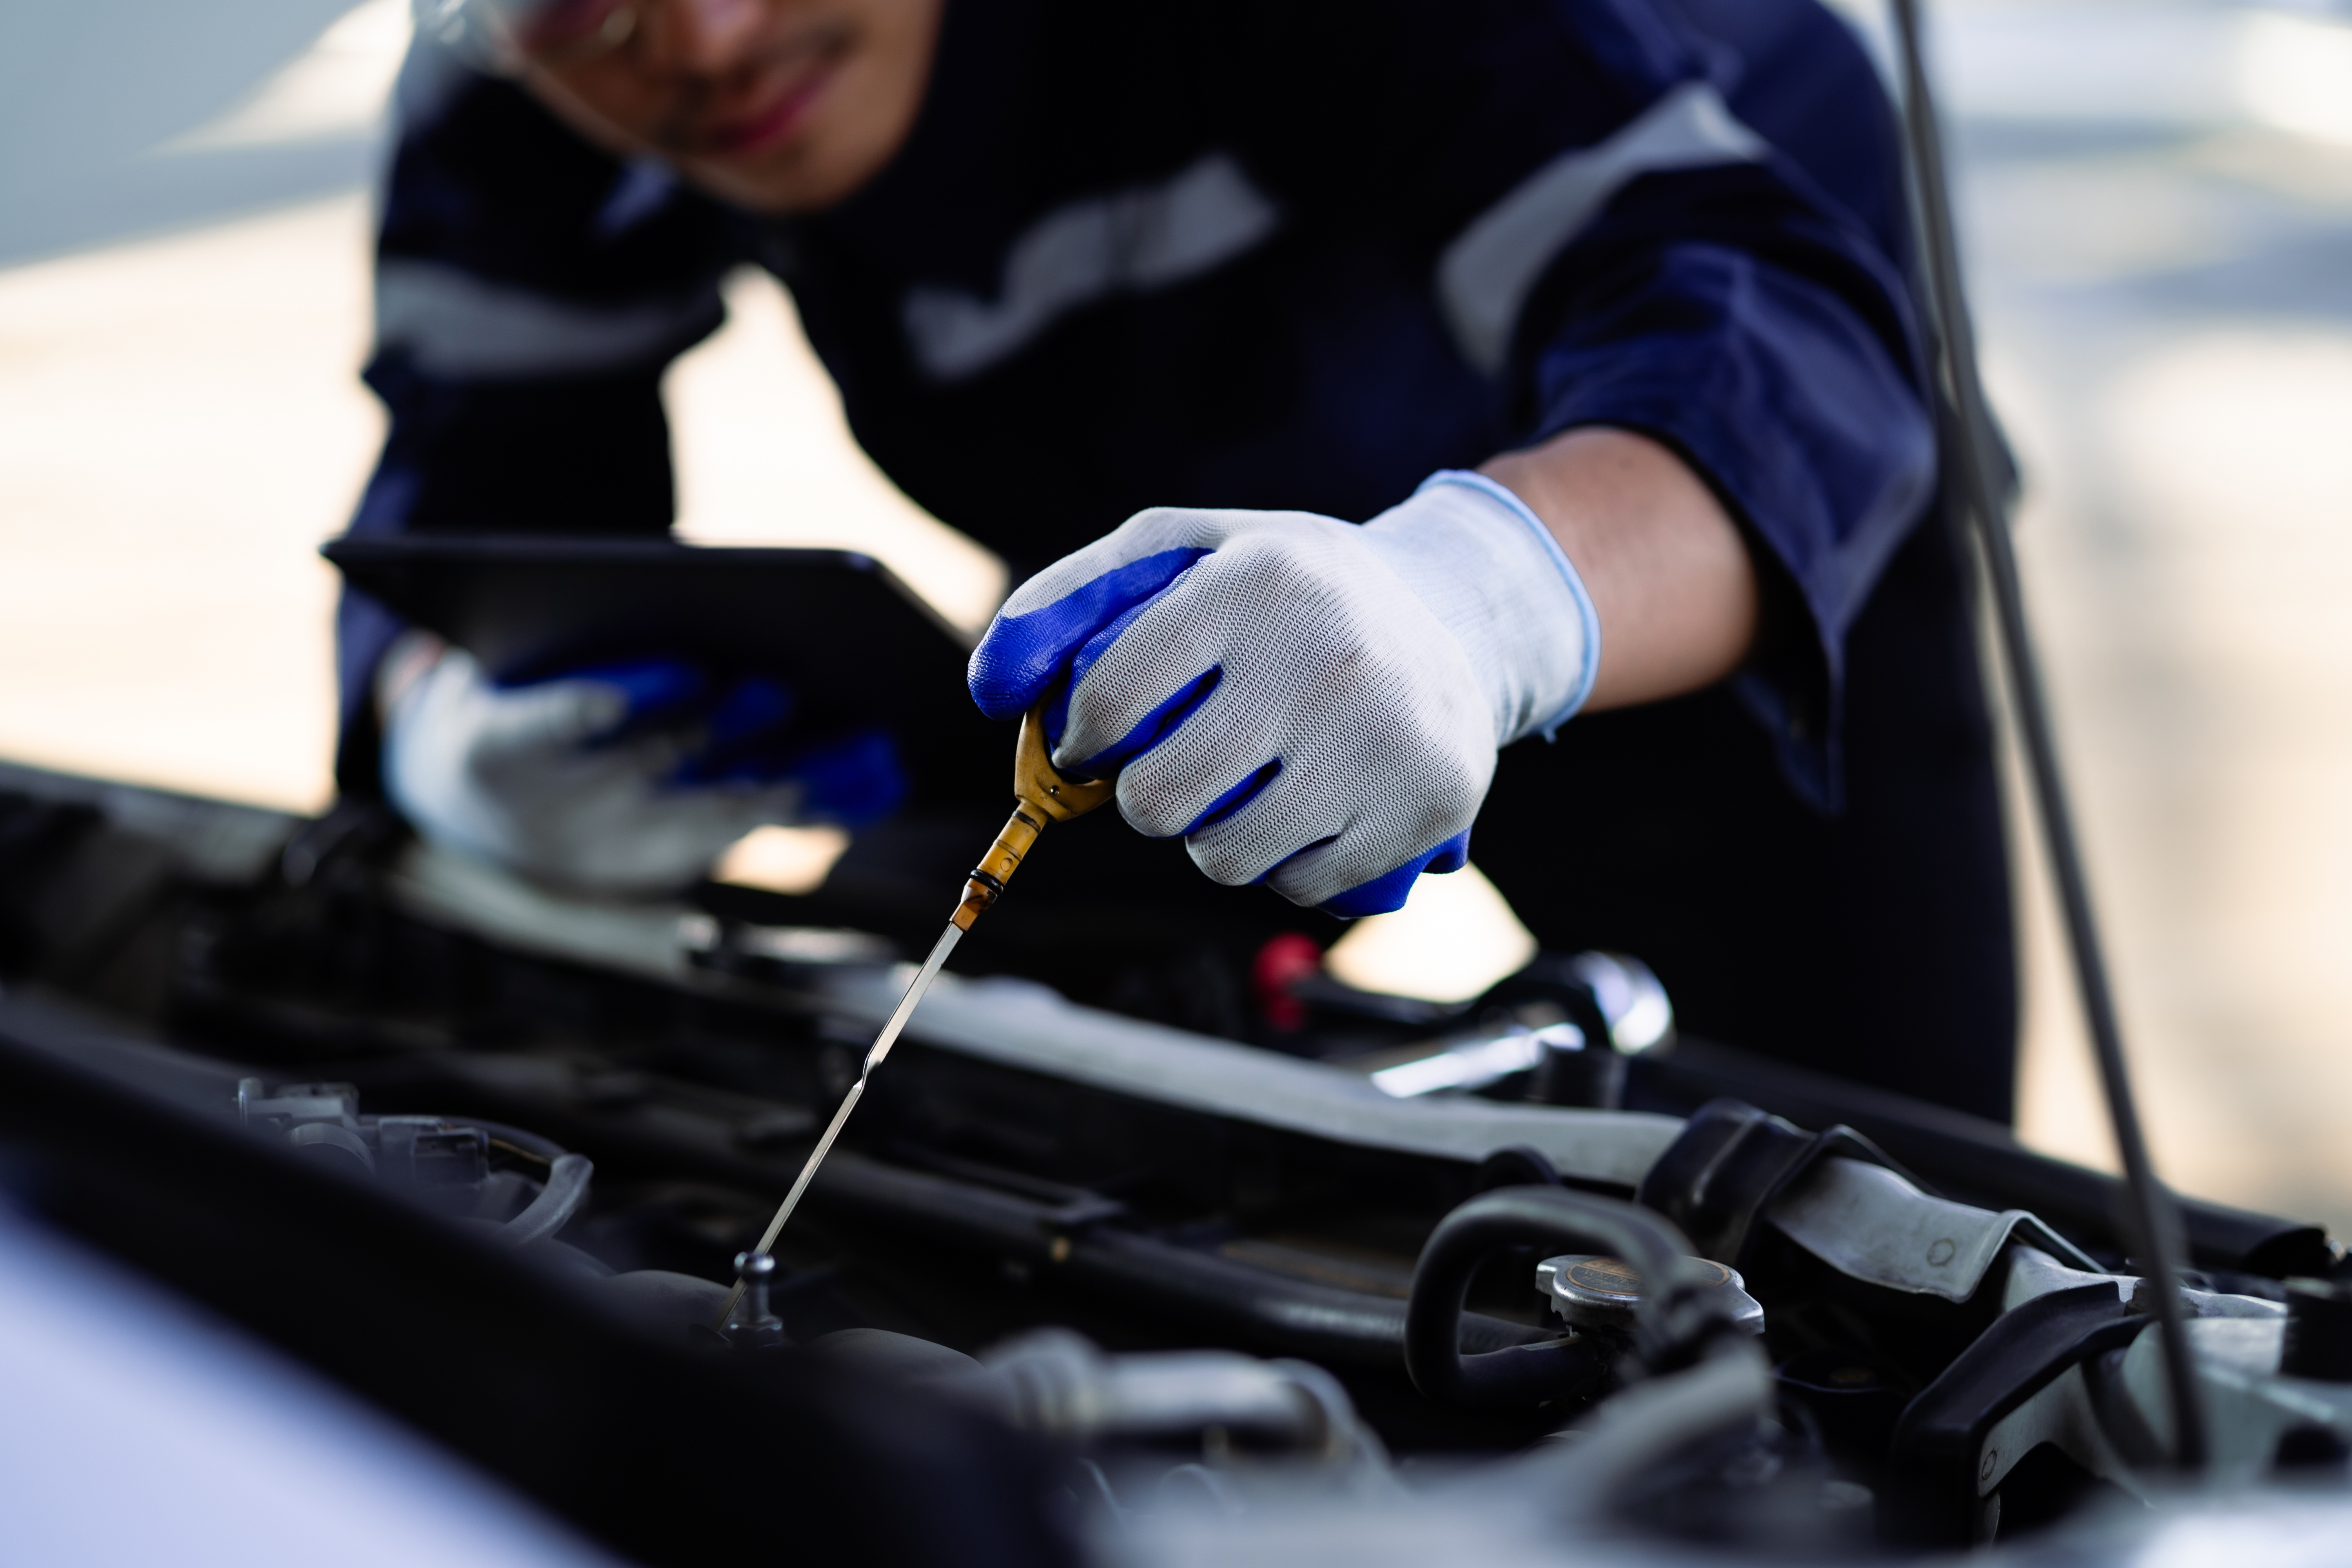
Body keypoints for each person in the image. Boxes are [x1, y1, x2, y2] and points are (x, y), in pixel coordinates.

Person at [341, 0, 2017, 1120]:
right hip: (1143, 591)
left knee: (1852, 1222)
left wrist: (1478, 602)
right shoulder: (510, 74)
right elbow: (473, 501)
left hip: (1665, 547)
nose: (701, 41)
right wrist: (444, 729)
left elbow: (1755, 320)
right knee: (958, 1107)